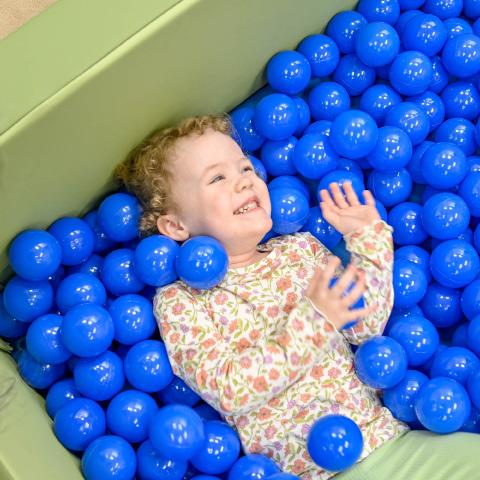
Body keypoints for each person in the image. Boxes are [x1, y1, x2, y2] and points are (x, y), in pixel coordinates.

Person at [115, 114, 479, 480]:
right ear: (176, 225)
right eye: (217, 178)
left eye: (245, 168)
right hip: (317, 473)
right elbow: (230, 390)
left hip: (389, 440)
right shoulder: (181, 301)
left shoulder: (299, 250)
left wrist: (368, 238)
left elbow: (365, 327)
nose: (244, 181)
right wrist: (313, 324)